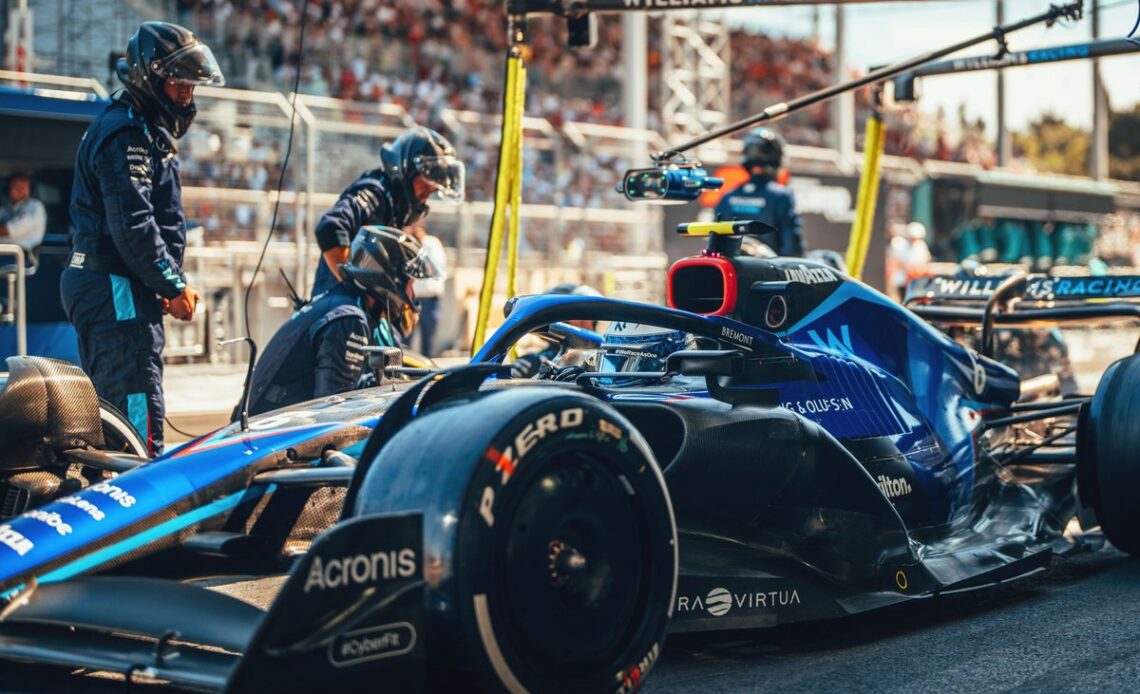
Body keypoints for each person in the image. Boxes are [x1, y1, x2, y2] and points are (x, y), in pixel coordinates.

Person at [60, 22, 223, 455]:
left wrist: (164, 285)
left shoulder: (143, 130)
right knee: (134, 430)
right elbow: (133, 226)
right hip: (114, 288)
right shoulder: (125, 132)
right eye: (178, 85)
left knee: (124, 415)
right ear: (150, 78)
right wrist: (172, 286)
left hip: (120, 288)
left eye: (191, 87)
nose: (187, 96)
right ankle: (135, 516)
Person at [244, 226, 442, 416]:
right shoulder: (349, 319)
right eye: (410, 284)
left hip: (270, 431)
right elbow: (334, 410)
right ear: (391, 280)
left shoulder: (341, 303)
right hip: (271, 441)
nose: (412, 294)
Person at [312, 126, 464, 296]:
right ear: (407, 171)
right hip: (338, 312)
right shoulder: (376, 193)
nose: (426, 195)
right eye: (424, 186)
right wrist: (355, 287)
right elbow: (329, 228)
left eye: (432, 191)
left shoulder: (392, 204)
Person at [715, 128, 804, 257]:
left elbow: (715, 245)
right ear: (776, 158)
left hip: (730, 274)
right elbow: (793, 250)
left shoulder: (728, 197)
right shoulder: (782, 196)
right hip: (766, 274)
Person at [407, 222, 447, 356]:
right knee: (406, 339)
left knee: (428, 340)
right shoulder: (408, 243)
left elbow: (435, 267)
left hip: (430, 299)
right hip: (412, 299)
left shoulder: (432, 244)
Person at [0, 173, 47, 258]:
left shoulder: (35, 206)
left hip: (18, 255)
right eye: (16, 186)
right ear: (8, 189)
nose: (20, 189)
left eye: (24, 186)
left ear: (30, 189)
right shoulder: (7, 208)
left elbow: (10, 230)